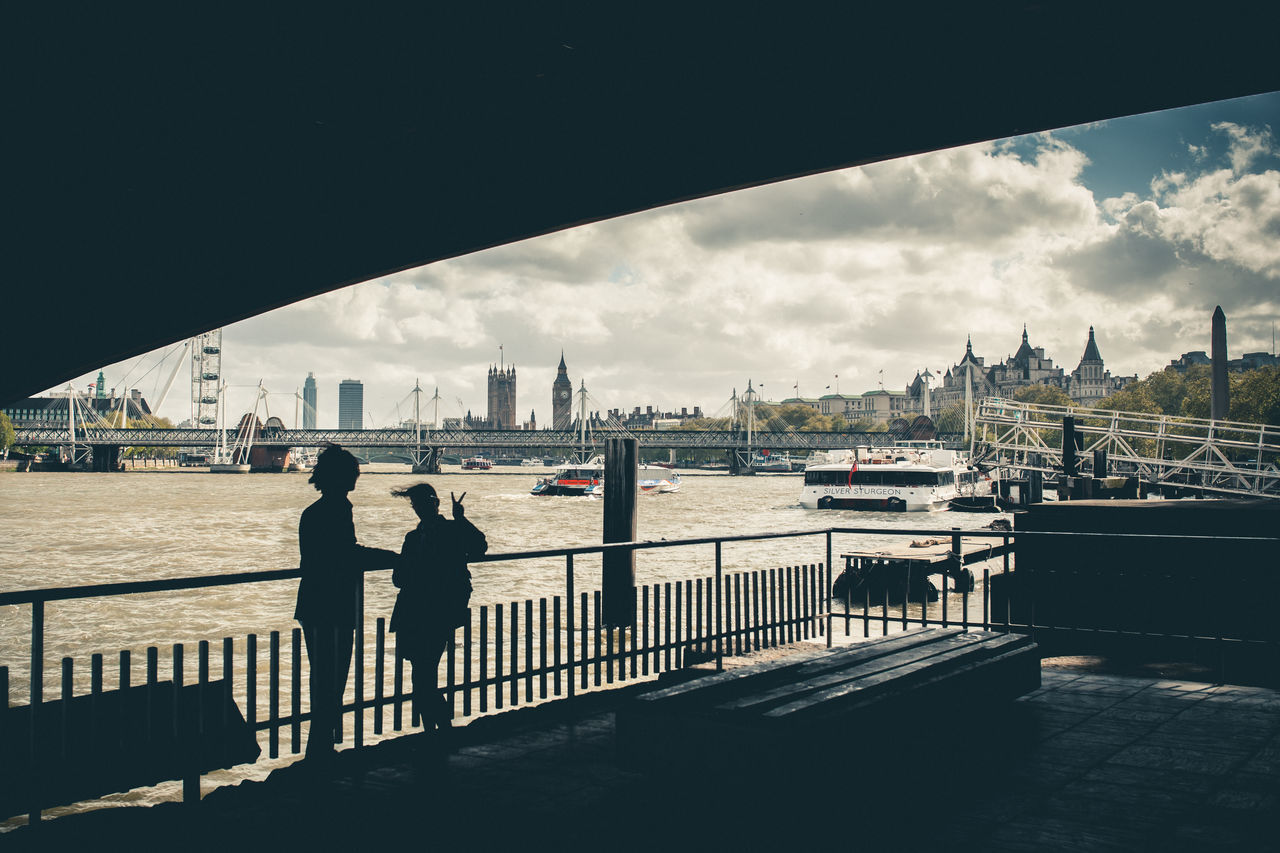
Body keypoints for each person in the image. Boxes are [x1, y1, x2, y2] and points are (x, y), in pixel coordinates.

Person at [295, 444, 396, 761]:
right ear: (342, 477)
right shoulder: (339, 508)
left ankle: (318, 749)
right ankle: (320, 753)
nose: (358, 476)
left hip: (311, 602)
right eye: (354, 472)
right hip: (334, 604)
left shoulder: (312, 512)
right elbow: (347, 553)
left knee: (320, 678)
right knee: (333, 680)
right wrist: (394, 558)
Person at [390, 483, 487, 736]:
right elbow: (479, 546)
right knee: (424, 673)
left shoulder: (414, 538)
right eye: (416, 504)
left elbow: (398, 578)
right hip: (434, 611)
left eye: (419, 504)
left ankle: (438, 730)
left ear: (432, 503)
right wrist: (460, 519)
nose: (418, 509)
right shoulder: (451, 531)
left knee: (421, 675)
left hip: (419, 612)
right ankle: (438, 730)